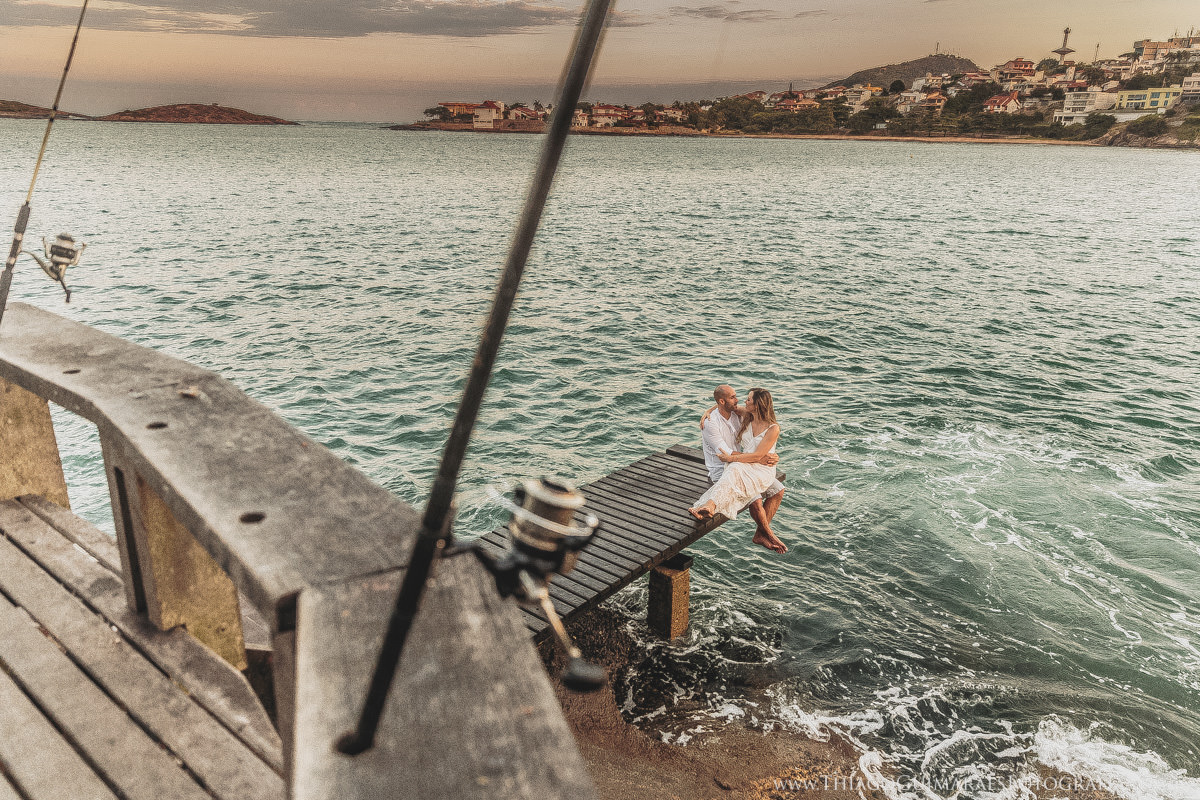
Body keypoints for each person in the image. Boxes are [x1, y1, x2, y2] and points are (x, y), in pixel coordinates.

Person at [689, 386, 787, 554]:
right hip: (744, 464)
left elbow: (757, 456)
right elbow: (722, 405)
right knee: (750, 491)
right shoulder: (746, 415)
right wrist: (710, 409)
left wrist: (734, 459)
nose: (742, 401)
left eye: (748, 399)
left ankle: (761, 532)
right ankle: (766, 534)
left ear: (757, 405)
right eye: (735, 397)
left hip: (760, 467)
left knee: (778, 490)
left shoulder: (772, 427)